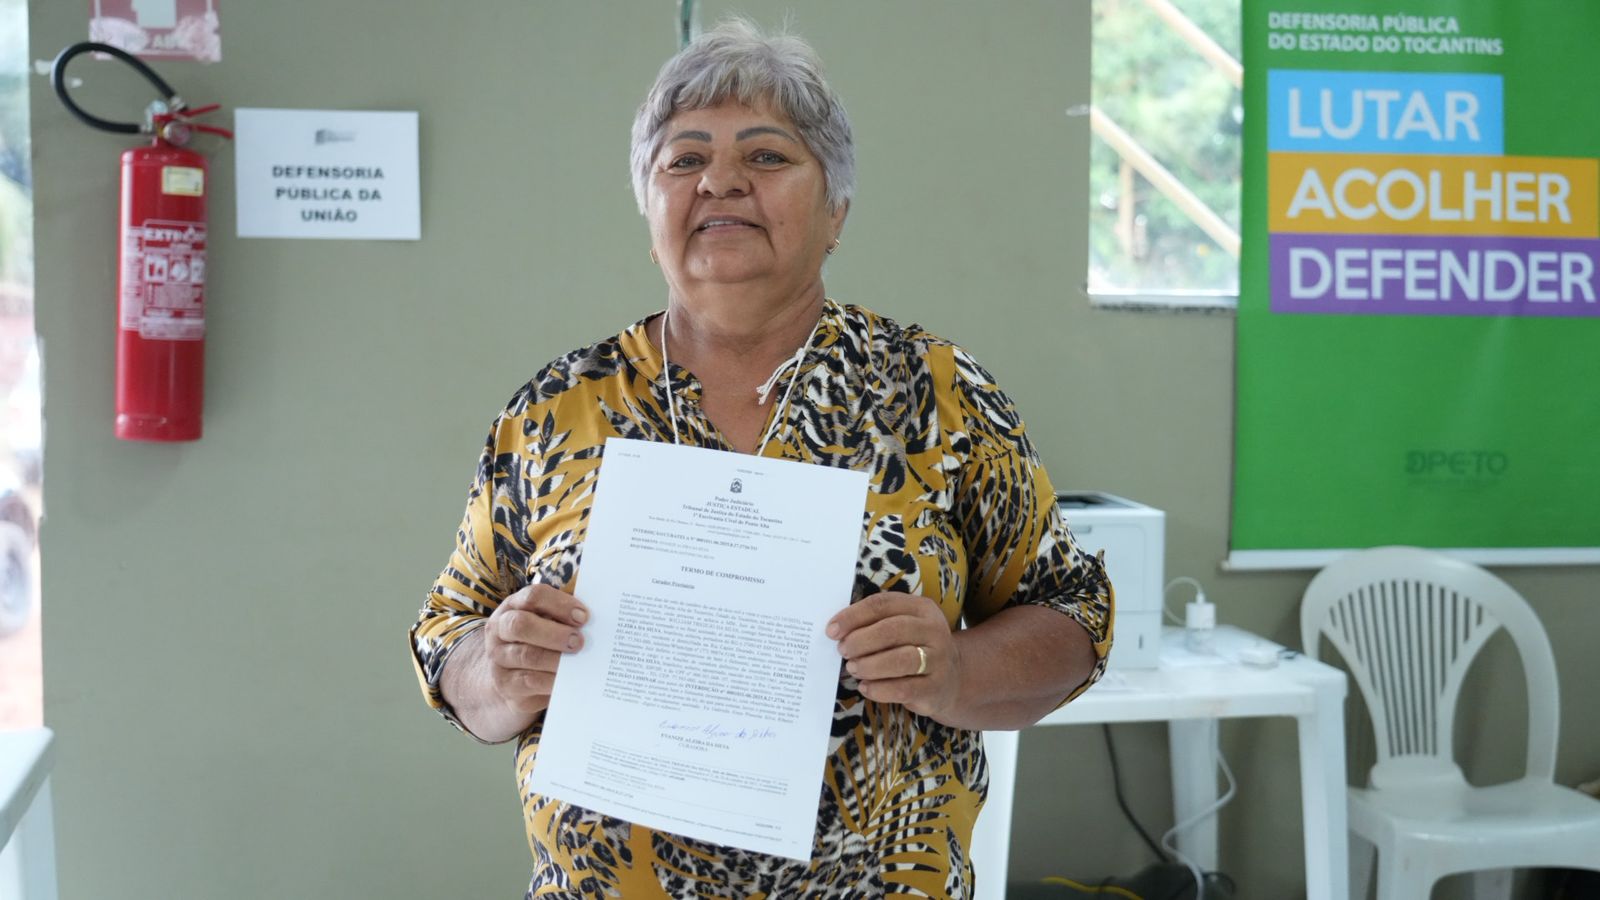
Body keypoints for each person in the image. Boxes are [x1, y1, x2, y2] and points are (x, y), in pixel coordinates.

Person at [409, 19, 1112, 899]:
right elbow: (448, 641)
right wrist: (498, 669)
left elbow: (1074, 617)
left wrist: (958, 671)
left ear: (837, 211)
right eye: (684, 158)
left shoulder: (934, 392)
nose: (721, 180)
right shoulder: (556, 410)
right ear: (650, 208)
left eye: (767, 156)